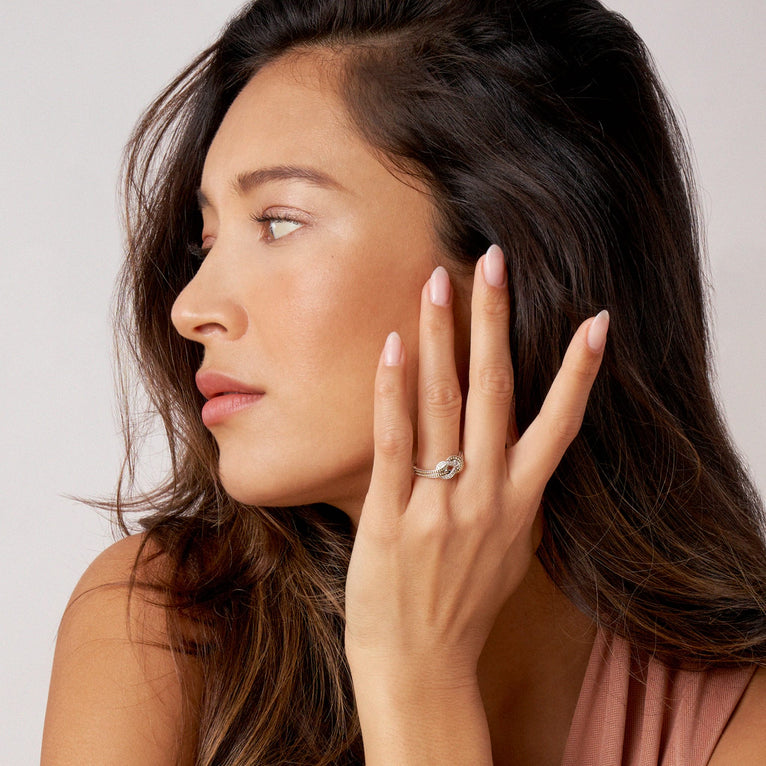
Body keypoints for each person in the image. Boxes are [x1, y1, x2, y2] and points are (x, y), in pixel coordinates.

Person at [41, 0, 766, 763]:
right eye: (208, 239)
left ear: (510, 256)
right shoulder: (163, 624)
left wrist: (417, 683)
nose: (191, 307)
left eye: (279, 221)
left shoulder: (739, 714)